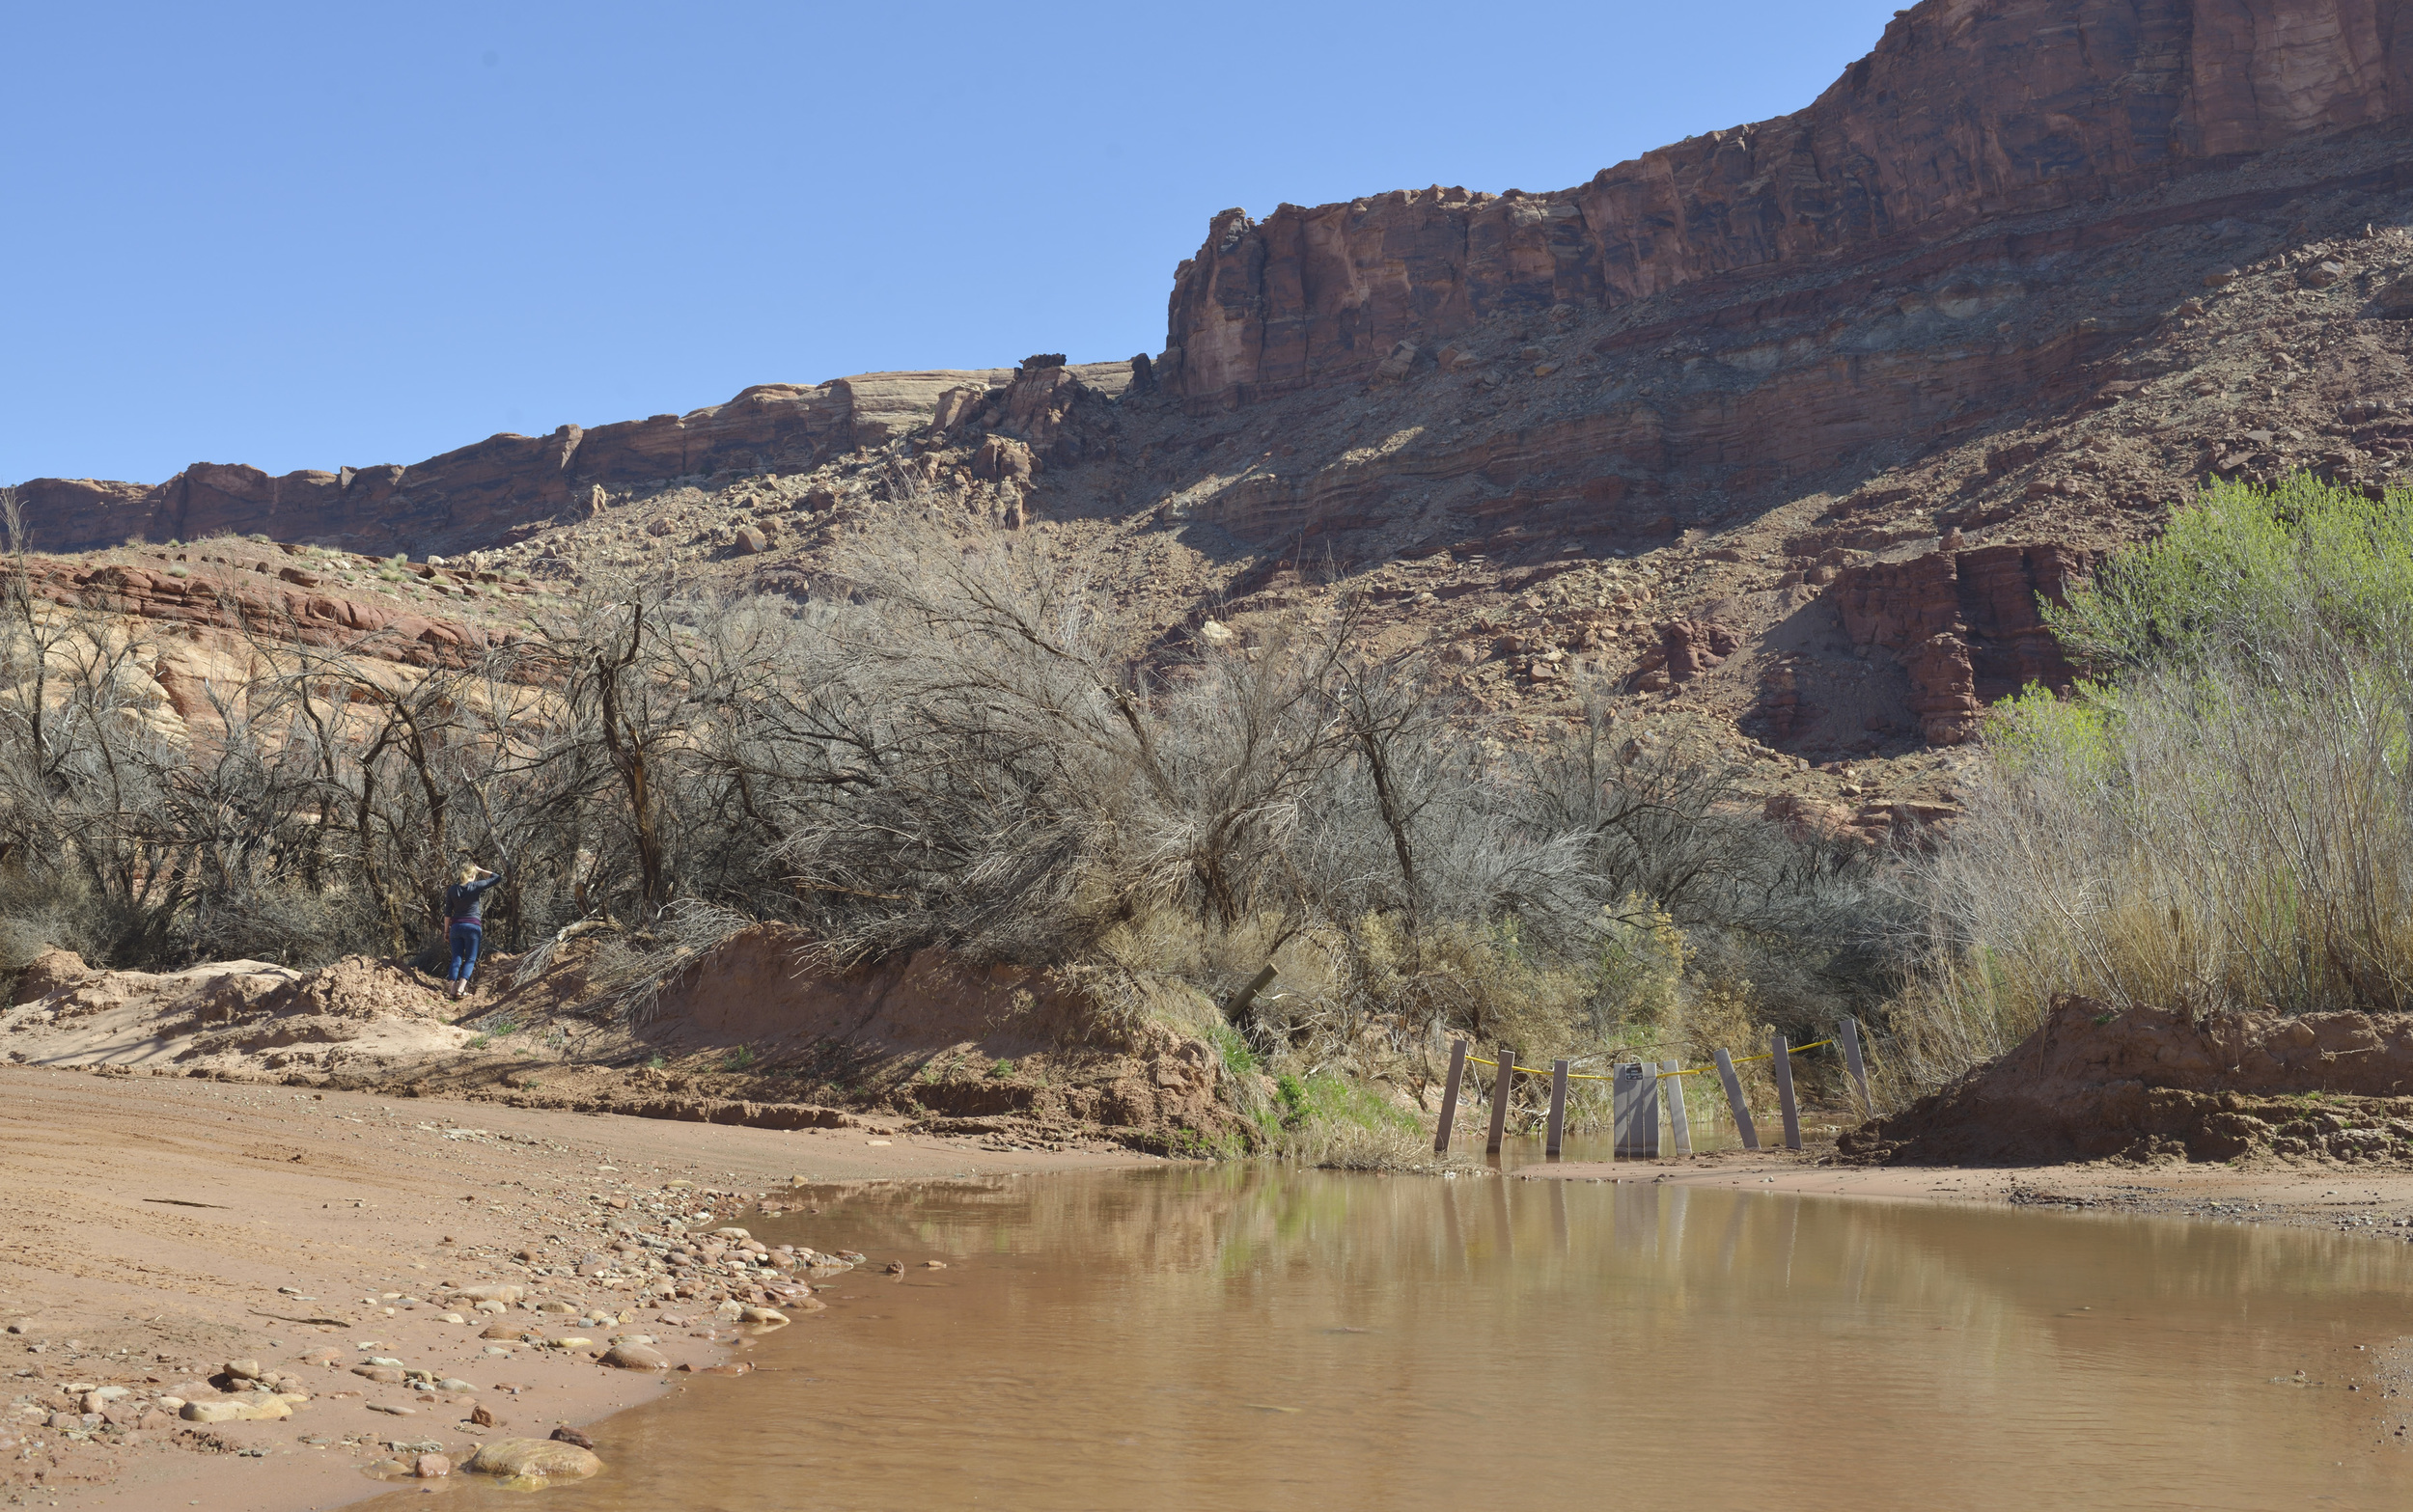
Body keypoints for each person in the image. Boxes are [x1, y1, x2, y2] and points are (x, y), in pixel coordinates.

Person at [443, 861, 505, 1000]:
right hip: (472, 927)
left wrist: (446, 931)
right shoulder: (475, 886)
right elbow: (497, 877)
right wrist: (480, 869)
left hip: (456, 927)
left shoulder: (452, 889)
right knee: (470, 959)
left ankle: (452, 990)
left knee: (456, 958)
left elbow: (447, 912)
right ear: (472, 875)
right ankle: (461, 989)